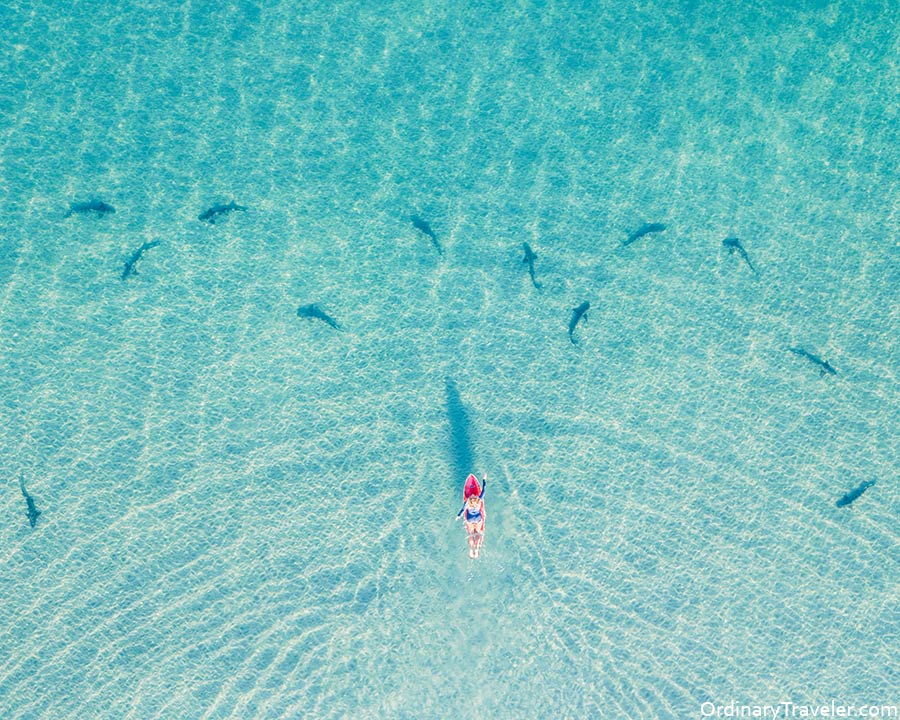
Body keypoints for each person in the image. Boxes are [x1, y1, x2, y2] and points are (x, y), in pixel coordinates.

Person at [456, 473, 487, 558]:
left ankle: (470, 549)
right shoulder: (479, 500)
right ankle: (476, 549)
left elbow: (463, 510)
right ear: (476, 498)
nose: (473, 494)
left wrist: (458, 516)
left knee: (471, 533)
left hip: (470, 519)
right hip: (478, 519)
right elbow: (484, 490)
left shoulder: (467, 502)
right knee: (478, 533)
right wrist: (484, 479)